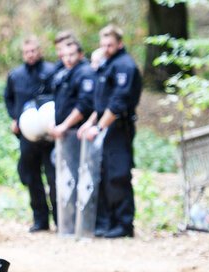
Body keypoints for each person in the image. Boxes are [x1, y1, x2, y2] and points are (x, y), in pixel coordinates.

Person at [78, 25, 142, 238]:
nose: (106, 48)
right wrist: (91, 122)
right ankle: (110, 222)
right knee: (106, 175)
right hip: (105, 127)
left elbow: (117, 103)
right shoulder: (109, 64)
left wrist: (98, 126)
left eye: (110, 44)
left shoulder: (125, 65)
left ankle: (124, 225)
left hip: (118, 127)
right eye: (103, 44)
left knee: (118, 174)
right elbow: (102, 102)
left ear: (120, 44)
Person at [3, 36, 58, 232]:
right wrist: (15, 118)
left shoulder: (52, 71)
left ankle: (60, 219)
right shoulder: (15, 75)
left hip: (51, 135)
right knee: (31, 177)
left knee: (54, 177)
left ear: (40, 51)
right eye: (27, 52)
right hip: (27, 136)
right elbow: (8, 98)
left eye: (33, 51)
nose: (30, 55)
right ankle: (40, 220)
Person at [49, 40, 95, 141]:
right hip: (66, 132)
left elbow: (84, 105)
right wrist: (56, 121)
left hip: (78, 132)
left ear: (81, 55)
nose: (68, 59)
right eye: (65, 56)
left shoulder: (85, 73)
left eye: (71, 55)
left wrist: (65, 125)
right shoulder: (65, 73)